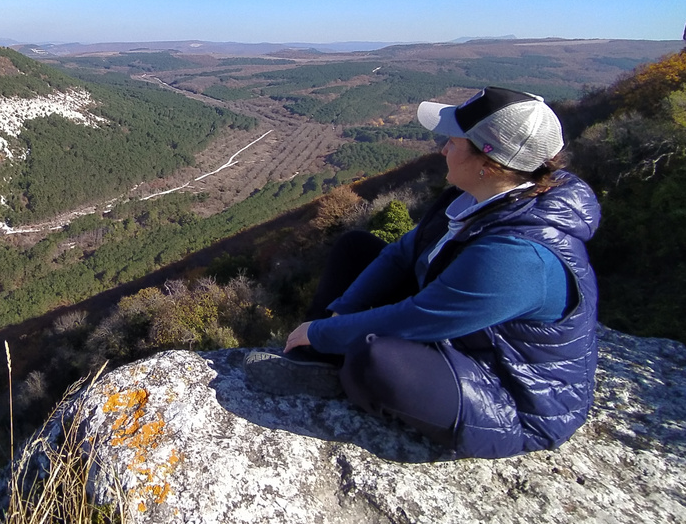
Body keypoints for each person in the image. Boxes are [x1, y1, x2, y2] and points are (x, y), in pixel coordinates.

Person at [245, 86, 601, 459]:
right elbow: (401, 255)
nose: (443, 150)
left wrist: (322, 331)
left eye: (453, 142)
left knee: (377, 361)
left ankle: (335, 365)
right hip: (467, 339)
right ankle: (316, 362)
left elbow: (420, 318)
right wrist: (339, 315)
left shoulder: (519, 257)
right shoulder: (480, 197)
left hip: (511, 395)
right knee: (357, 247)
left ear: (490, 163)